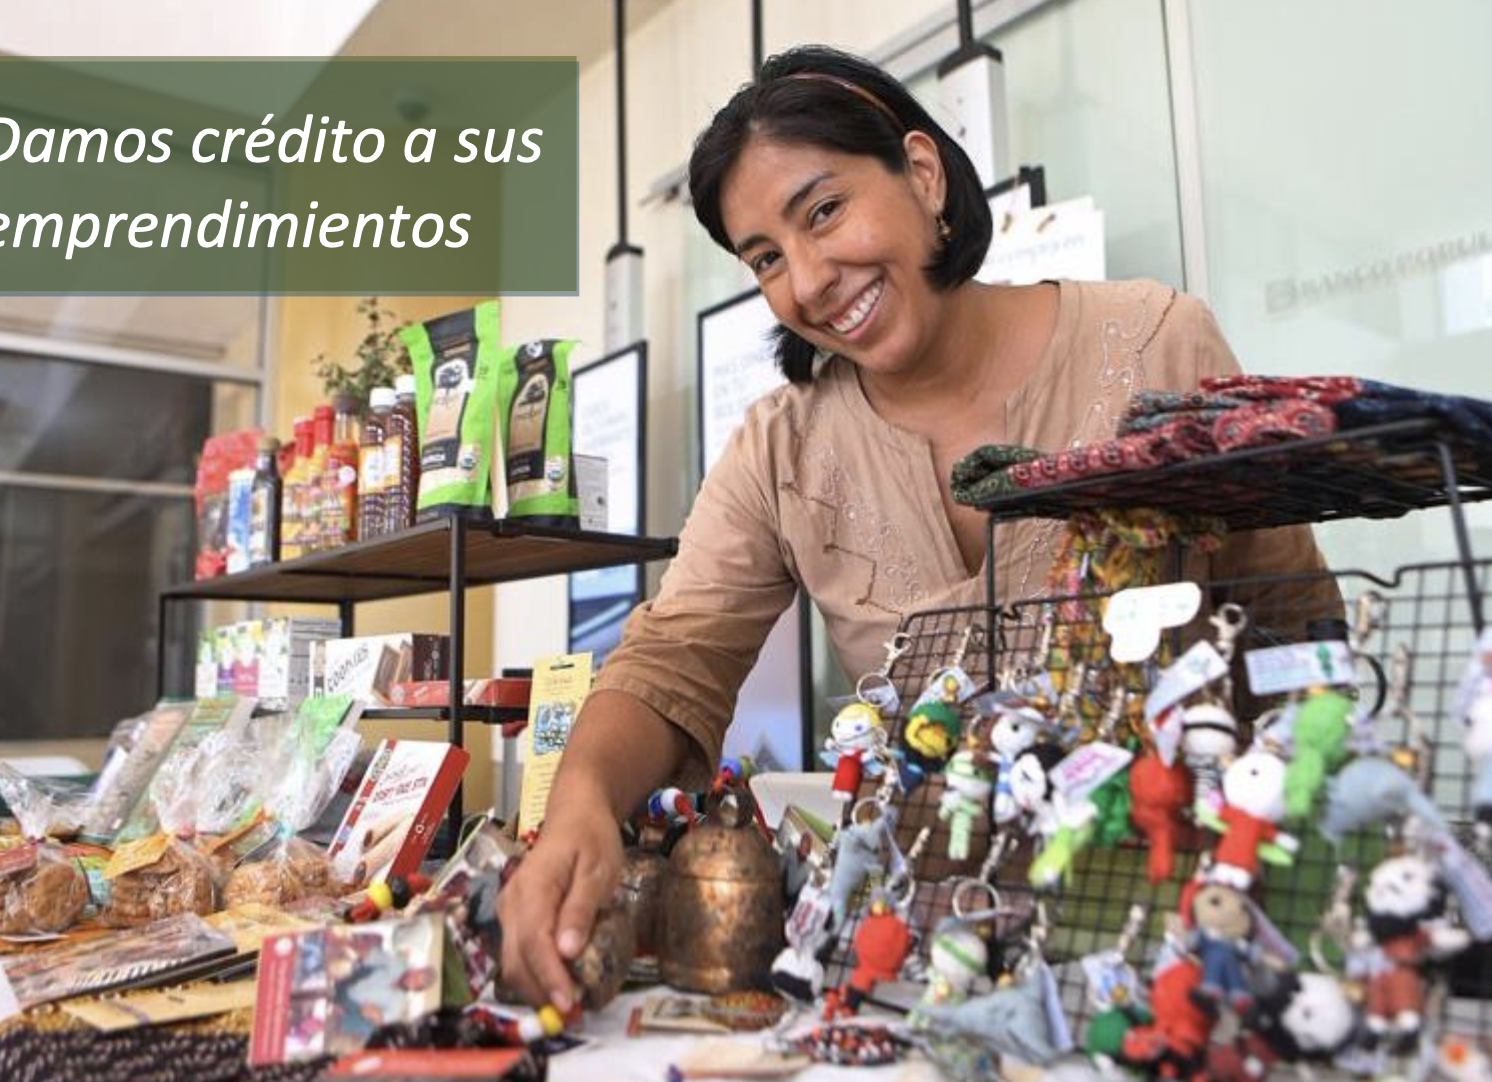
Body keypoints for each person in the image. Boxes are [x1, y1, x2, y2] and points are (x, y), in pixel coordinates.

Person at [497, 45, 1327, 1011]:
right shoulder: (781, 447)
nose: (808, 280)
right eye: (766, 257)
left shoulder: (1155, 344)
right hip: (927, 963)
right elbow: (673, 656)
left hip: (1191, 949)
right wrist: (582, 804)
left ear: (923, 175)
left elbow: (1295, 626)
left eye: (823, 211)